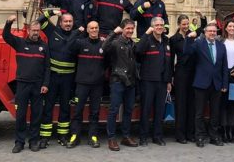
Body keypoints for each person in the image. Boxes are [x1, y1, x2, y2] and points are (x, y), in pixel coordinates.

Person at [2, 15, 50, 153]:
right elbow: (6, 36)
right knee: (21, 115)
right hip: (22, 85)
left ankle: (34, 141)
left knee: (36, 115)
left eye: (38, 30)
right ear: (29, 30)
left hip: (38, 86)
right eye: (33, 30)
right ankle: (19, 142)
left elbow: (47, 67)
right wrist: (9, 22)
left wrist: (45, 84)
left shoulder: (44, 47)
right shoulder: (19, 43)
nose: (35, 33)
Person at [37, 9, 78, 148]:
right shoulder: (52, 31)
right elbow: (39, 21)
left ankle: (62, 136)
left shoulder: (77, 35)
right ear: (60, 23)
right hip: (52, 77)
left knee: (65, 108)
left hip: (68, 79)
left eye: (70, 22)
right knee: (48, 107)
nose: (68, 24)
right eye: (65, 21)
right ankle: (45, 137)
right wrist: (52, 12)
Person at [186, 24, 229, 147]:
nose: (212, 33)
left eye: (214, 31)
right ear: (205, 33)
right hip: (201, 83)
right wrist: (189, 38)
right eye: (209, 31)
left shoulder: (221, 46)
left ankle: (214, 136)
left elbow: (224, 67)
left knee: (215, 112)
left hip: (216, 84)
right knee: (199, 113)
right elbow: (187, 52)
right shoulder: (199, 44)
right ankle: (199, 136)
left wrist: (224, 83)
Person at [65, 21, 106, 149]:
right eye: (91, 28)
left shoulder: (103, 44)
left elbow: (109, 61)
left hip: (97, 85)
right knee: (77, 111)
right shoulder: (81, 43)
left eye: (96, 28)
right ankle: (74, 136)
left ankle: (92, 136)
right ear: (88, 30)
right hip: (82, 84)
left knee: (95, 112)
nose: (94, 30)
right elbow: (68, 45)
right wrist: (77, 31)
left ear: (99, 29)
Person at [135, 16, 172, 146]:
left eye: (161, 25)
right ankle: (143, 137)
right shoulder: (147, 40)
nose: (159, 27)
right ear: (152, 27)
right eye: (157, 25)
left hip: (162, 82)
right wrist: (146, 33)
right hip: (148, 81)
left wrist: (168, 81)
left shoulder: (166, 41)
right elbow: (138, 50)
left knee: (159, 110)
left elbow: (169, 64)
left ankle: (157, 136)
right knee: (145, 110)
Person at [102, 19, 139, 151]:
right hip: (117, 81)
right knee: (114, 110)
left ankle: (125, 136)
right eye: (128, 28)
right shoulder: (116, 43)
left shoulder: (132, 44)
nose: (130, 31)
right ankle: (111, 138)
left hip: (131, 82)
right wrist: (113, 33)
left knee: (128, 110)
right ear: (122, 29)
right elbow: (103, 48)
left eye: (132, 28)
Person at [169, 14, 196, 144]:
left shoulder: (193, 36)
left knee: (192, 104)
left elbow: (204, 31)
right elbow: (170, 60)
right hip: (180, 73)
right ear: (179, 25)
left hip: (193, 74)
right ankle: (180, 134)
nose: (186, 26)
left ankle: (190, 133)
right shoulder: (174, 39)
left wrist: (202, 18)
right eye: (183, 24)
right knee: (181, 104)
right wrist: (170, 78)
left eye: (187, 24)